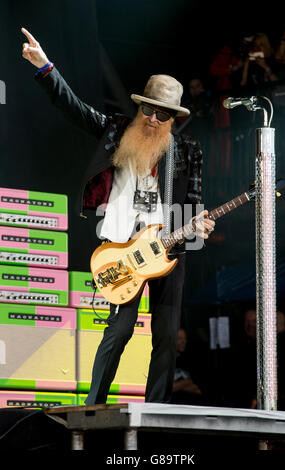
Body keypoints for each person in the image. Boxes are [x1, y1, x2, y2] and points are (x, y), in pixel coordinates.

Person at [21, 27, 215, 405]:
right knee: (120, 330)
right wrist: (45, 67)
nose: (153, 119)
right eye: (148, 108)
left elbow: (193, 202)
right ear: (139, 106)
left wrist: (199, 229)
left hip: (169, 251)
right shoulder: (116, 131)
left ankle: (157, 410)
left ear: (173, 117)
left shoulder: (187, 151)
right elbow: (74, 108)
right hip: (124, 247)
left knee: (165, 335)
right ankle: (94, 404)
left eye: (162, 113)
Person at [171, 328, 203, 405]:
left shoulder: (190, 361)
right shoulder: (166, 363)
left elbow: (197, 389)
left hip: (191, 406)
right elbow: (163, 389)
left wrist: (175, 386)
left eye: (185, 339)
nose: (183, 342)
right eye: (180, 339)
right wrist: (185, 383)